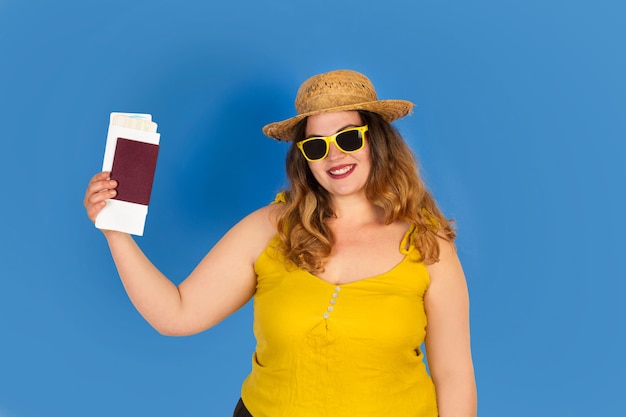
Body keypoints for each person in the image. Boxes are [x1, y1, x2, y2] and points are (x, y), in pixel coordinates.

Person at [84, 69, 476, 417]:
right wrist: (115, 234)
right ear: (304, 158)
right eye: (316, 146)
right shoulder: (269, 228)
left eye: (349, 138)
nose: (334, 155)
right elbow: (178, 314)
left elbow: (453, 374)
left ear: (377, 140)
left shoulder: (429, 245)